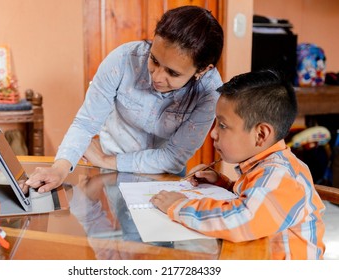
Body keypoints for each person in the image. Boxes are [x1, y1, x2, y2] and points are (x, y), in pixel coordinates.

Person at [25, 6, 224, 193]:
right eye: (154, 60)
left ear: (202, 69)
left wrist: (105, 159)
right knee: (125, 229)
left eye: (172, 73)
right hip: (115, 170)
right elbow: (85, 123)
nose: (156, 77)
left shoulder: (209, 93)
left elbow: (173, 157)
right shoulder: (122, 60)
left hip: (160, 172)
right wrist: (59, 169)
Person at [151, 70, 326, 260]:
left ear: (260, 135)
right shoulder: (265, 166)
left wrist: (179, 205)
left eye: (223, 126)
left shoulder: (280, 175)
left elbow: (239, 219)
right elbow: (255, 199)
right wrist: (223, 184)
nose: (213, 134)